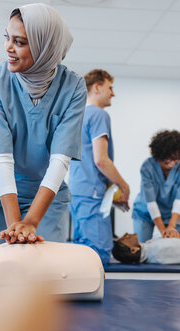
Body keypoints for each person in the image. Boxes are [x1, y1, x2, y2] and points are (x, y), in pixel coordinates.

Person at [0, 3, 87, 256]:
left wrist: (30, 222)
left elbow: (60, 161)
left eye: (19, 42)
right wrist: (15, 228)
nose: (8, 47)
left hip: (44, 195)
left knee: (43, 278)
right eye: (7, 38)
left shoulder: (73, 87)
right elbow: (2, 159)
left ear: (44, 48)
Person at [68, 69, 130, 265]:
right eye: (110, 87)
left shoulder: (77, 116)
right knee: (98, 255)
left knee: (83, 248)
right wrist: (123, 186)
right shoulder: (98, 115)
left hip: (78, 192)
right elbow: (101, 160)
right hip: (91, 195)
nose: (113, 93)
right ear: (97, 87)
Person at [132, 130, 180, 243]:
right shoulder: (148, 167)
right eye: (168, 159)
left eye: (176, 159)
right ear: (159, 155)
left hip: (171, 214)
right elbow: (151, 203)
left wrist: (171, 227)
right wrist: (163, 231)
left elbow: (179, 201)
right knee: (142, 248)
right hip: (144, 212)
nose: (173, 163)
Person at [112, 232, 180, 265]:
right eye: (125, 239)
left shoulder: (150, 247)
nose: (126, 234)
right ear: (134, 250)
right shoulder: (157, 249)